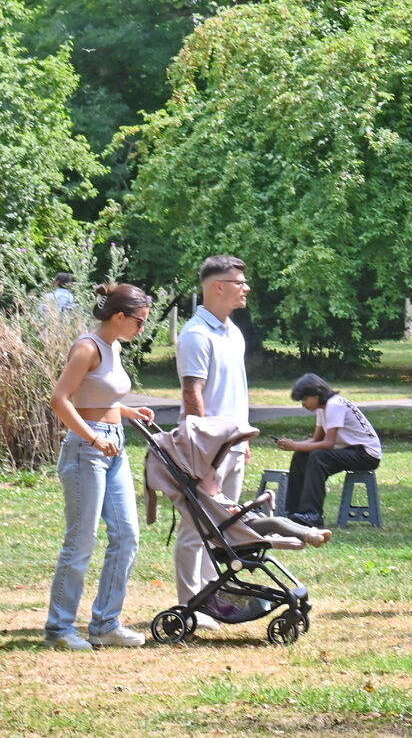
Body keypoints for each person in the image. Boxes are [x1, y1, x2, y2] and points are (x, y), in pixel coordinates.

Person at [45, 283, 153, 650]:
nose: (142, 329)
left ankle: (106, 624)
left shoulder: (114, 346)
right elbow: (60, 400)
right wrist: (93, 437)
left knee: (126, 536)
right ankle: (60, 630)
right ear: (120, 316)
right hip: (85, 451)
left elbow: (99, 394)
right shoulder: (86, 347)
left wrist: (126, 411)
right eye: (139, 322)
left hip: (114, 447)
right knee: (81, 540)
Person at [174, 255, 251, 630]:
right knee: (197, 527)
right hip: (207, 449)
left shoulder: (232, 331)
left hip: (234, 445)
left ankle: (212, 598)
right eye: (239, 282)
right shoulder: (195, 334)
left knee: (222, 527)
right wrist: (201, 456)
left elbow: (236, 391)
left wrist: (244, 437)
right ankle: (190, 604)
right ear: (217, 287)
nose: (245, 287)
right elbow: (193, 395)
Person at [278, 373, 382, 528]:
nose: (303, 404)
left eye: (305, 399)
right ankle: (293, 512)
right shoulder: (322, 409)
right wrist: (294, 445)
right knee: (302, 456)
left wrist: (296, 445)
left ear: (316, 394)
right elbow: (316, 440)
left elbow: (328, 443)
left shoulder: (335, 405)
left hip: (366, 454)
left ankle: (312, 514)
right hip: (349, 451)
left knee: (318, 456)